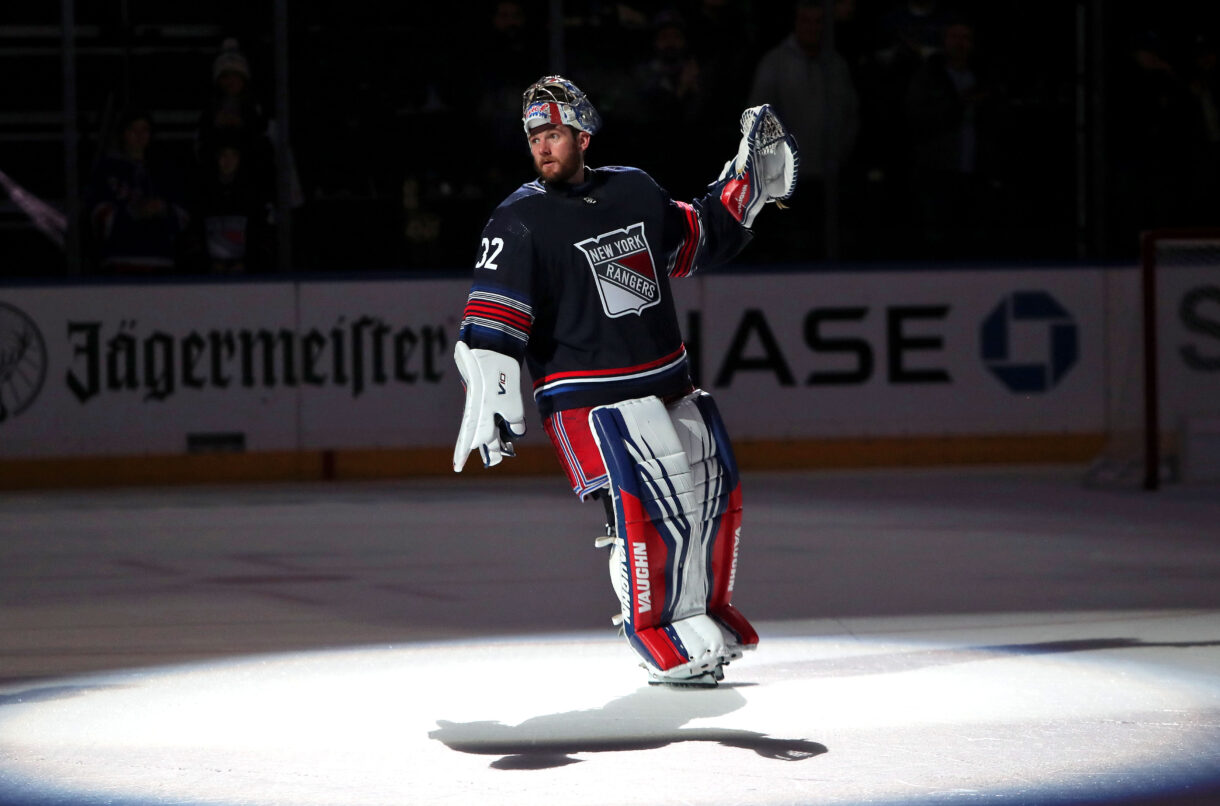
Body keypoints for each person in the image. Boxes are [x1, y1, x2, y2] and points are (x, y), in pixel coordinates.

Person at [451, 75, 797, 686]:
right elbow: (492, 319)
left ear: (583, 134)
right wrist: (494, 385)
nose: (542, 146)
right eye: (534, 136)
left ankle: (701, 614)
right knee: (642, 511)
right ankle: (656, 632)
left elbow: (694, 240)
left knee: (709, 498)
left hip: (668, 381)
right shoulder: (519, 219)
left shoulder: (635, 190)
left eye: (552, 133)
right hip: (585, 398)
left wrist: (745, 193)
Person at [747, 0, 858, 260]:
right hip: (785, 183)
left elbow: (851, 115)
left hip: (829, 180)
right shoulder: (774, 63)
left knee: (827, 248)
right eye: (806, 21)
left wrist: (840, 154)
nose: (812, 28)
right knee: (791, 250)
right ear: (796, 23)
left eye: (819, 22)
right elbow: (757, 118)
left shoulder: (836, 64)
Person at [84, 107, 190, 274]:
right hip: (119, 261)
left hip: (161, 261)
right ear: (123, 133)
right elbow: (98, 216)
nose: (139, 135)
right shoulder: (107, 169)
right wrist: (133, 212)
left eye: (144, 130)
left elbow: (183, 216)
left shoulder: (165, 170)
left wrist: (163, 209)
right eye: (133, 129)